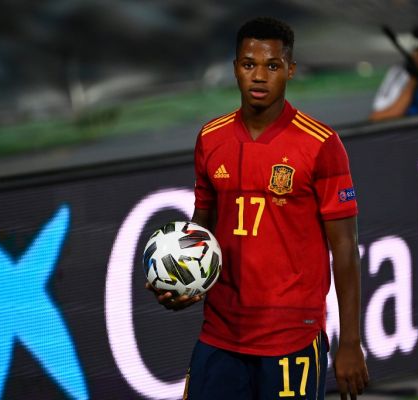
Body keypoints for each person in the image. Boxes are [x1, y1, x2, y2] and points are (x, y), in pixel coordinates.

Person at [146, 17, 368, 399]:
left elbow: (345, 249)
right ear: (235, 68)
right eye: (249, 64)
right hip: (221, 332)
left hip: (291, 337)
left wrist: (350, 341)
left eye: (272, 65)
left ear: (291, 70)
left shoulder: (321, 145)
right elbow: (201, 227)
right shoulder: (211, 138)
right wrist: (184, 281)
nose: (260, 76)